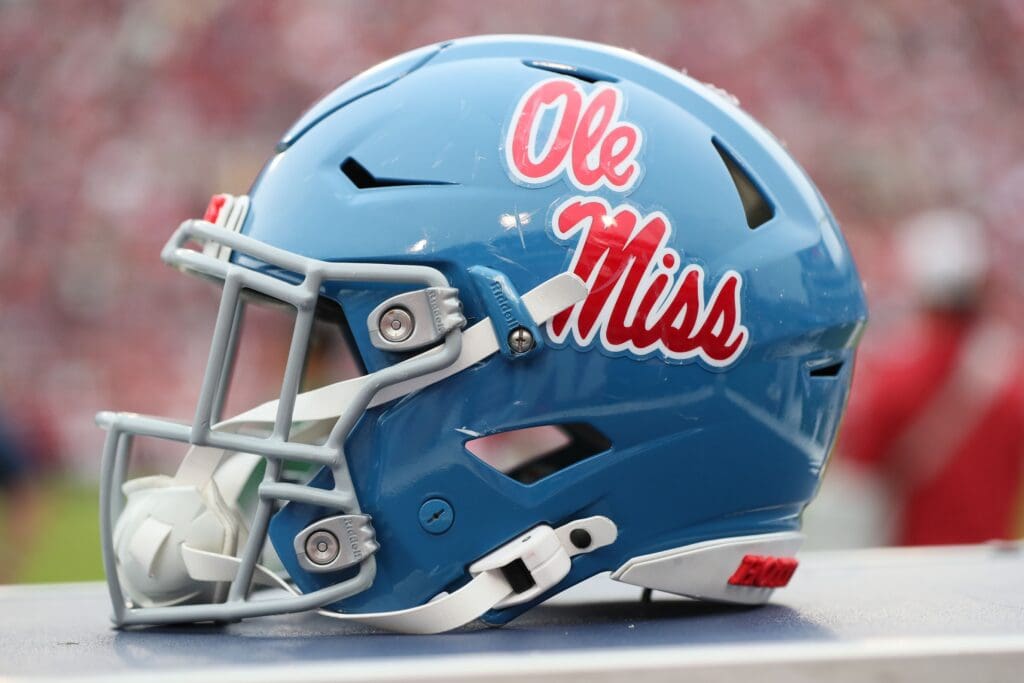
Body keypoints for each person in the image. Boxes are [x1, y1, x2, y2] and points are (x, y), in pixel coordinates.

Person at [839, 209, 1024, 546]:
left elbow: (859, 467)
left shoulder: (895, 374)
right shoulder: (1011, 373)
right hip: (994, 561)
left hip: (916, 567)